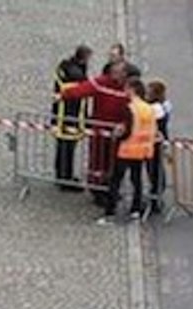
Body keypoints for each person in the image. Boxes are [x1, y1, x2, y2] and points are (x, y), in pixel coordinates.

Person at [61, 61, 131, 207]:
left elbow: (134, 109)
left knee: (114, 164)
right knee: (98, 162)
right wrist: (64, 94)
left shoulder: (128, 88)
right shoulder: (102, 82)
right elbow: (82, 90)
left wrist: (125, 125)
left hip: (118, 135)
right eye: (114, 72)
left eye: (119, 72)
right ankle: (97, 191)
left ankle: (111, 189)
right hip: (100, 133)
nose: (115, 75)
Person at [99, 79, 159, 224]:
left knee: (115, 180)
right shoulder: (149, 108)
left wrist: (118, 134)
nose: (125, 91)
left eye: (126, 88)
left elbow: (128, 130)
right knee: (136, 180)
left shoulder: (130, 108)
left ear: (132, 90)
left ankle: (110, 213)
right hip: (143, 150)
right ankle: (135, 211)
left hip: (127, 148)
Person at [52, 45, 93, 189]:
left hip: (62, 115)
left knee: (63, 147)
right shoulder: (76, 74)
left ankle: (62, 175)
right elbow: (81, 91)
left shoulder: (65, 67)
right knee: (67, 148)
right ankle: (65, 179)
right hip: (70, 116)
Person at [145, 80, 173, 213]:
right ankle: (156, 196)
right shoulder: (163, 105)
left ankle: (156, 198)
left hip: (153, 143)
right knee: (155, 170)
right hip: (154, 142)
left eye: (149, 91)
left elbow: (161, 128)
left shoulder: (156, 108)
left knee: (154, 170)